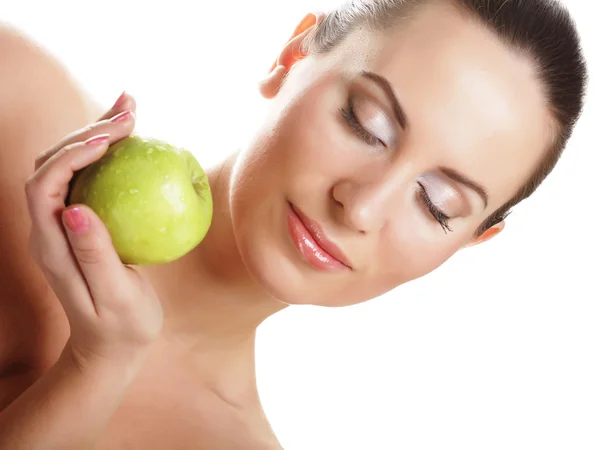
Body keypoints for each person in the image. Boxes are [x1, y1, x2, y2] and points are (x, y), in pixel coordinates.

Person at [0, 0, 588, 448]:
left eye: (436, 204)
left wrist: (98, 365)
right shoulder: (13, 99)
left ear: (469, 241)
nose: (359, 207)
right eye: (367, 123)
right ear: (293, 57)